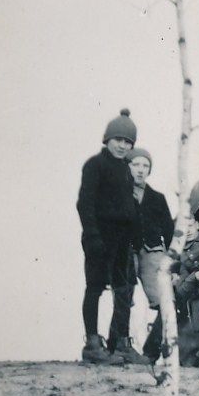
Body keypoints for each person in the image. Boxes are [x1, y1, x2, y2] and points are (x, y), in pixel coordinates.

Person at [76, 108, 145, 365]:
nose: (122, 145)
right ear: (107, 139)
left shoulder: (126, 171)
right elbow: (85, 203)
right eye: (118, 140)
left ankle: (120, 344)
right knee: (95, 287)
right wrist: (93, 236)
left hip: (122, 241)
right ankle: (93, 344)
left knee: (124, 290)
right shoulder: (95, 165)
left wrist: (135, 239)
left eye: (128, 142)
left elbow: (130, 208)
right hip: (100, 237)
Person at [128, 147, 175, 364]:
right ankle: (120, 348)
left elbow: (169, 230)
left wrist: (172, 260)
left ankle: (149, 353)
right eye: (136, 165)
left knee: (166, 302)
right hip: (126, 251)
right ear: (127, 167)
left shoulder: (157, 198)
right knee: (123, 298)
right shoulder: (119, 195)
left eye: (145, 166)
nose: (140, 170)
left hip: (153, 251)